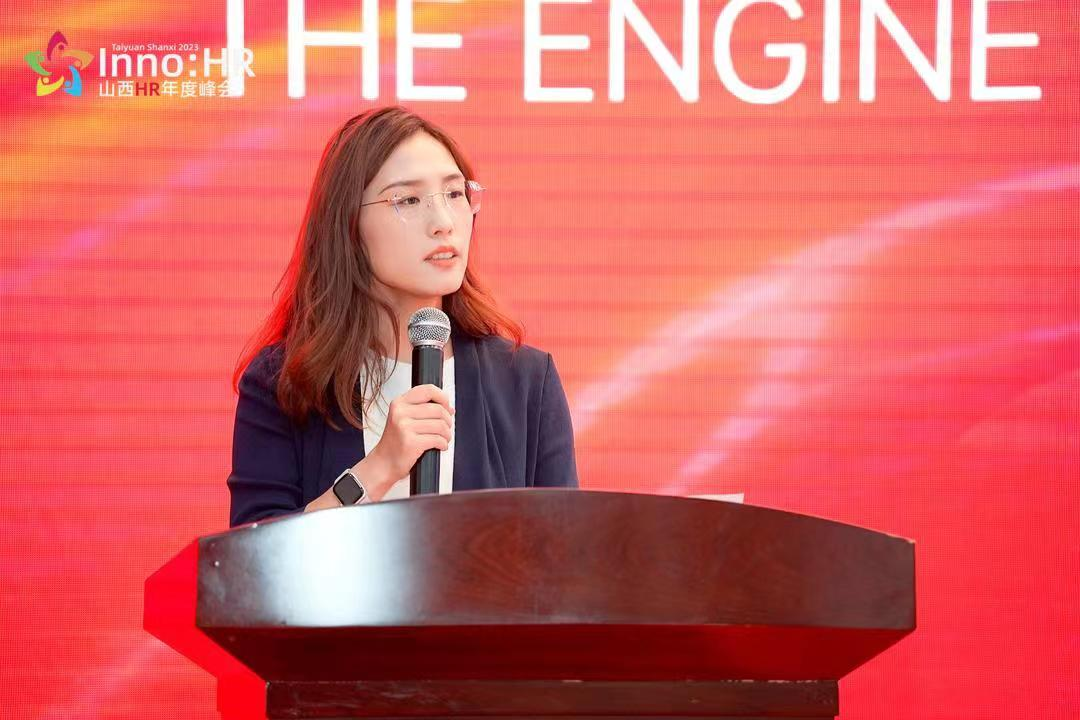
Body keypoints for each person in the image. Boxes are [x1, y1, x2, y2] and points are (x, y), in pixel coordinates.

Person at [226, 106, 579, 527]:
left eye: (454, 194)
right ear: (349, 226)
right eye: (408, 200)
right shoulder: (283, 383)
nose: (444, 223)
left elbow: (562, 550)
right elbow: (252, 558)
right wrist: (378, 469)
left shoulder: (525, 380)